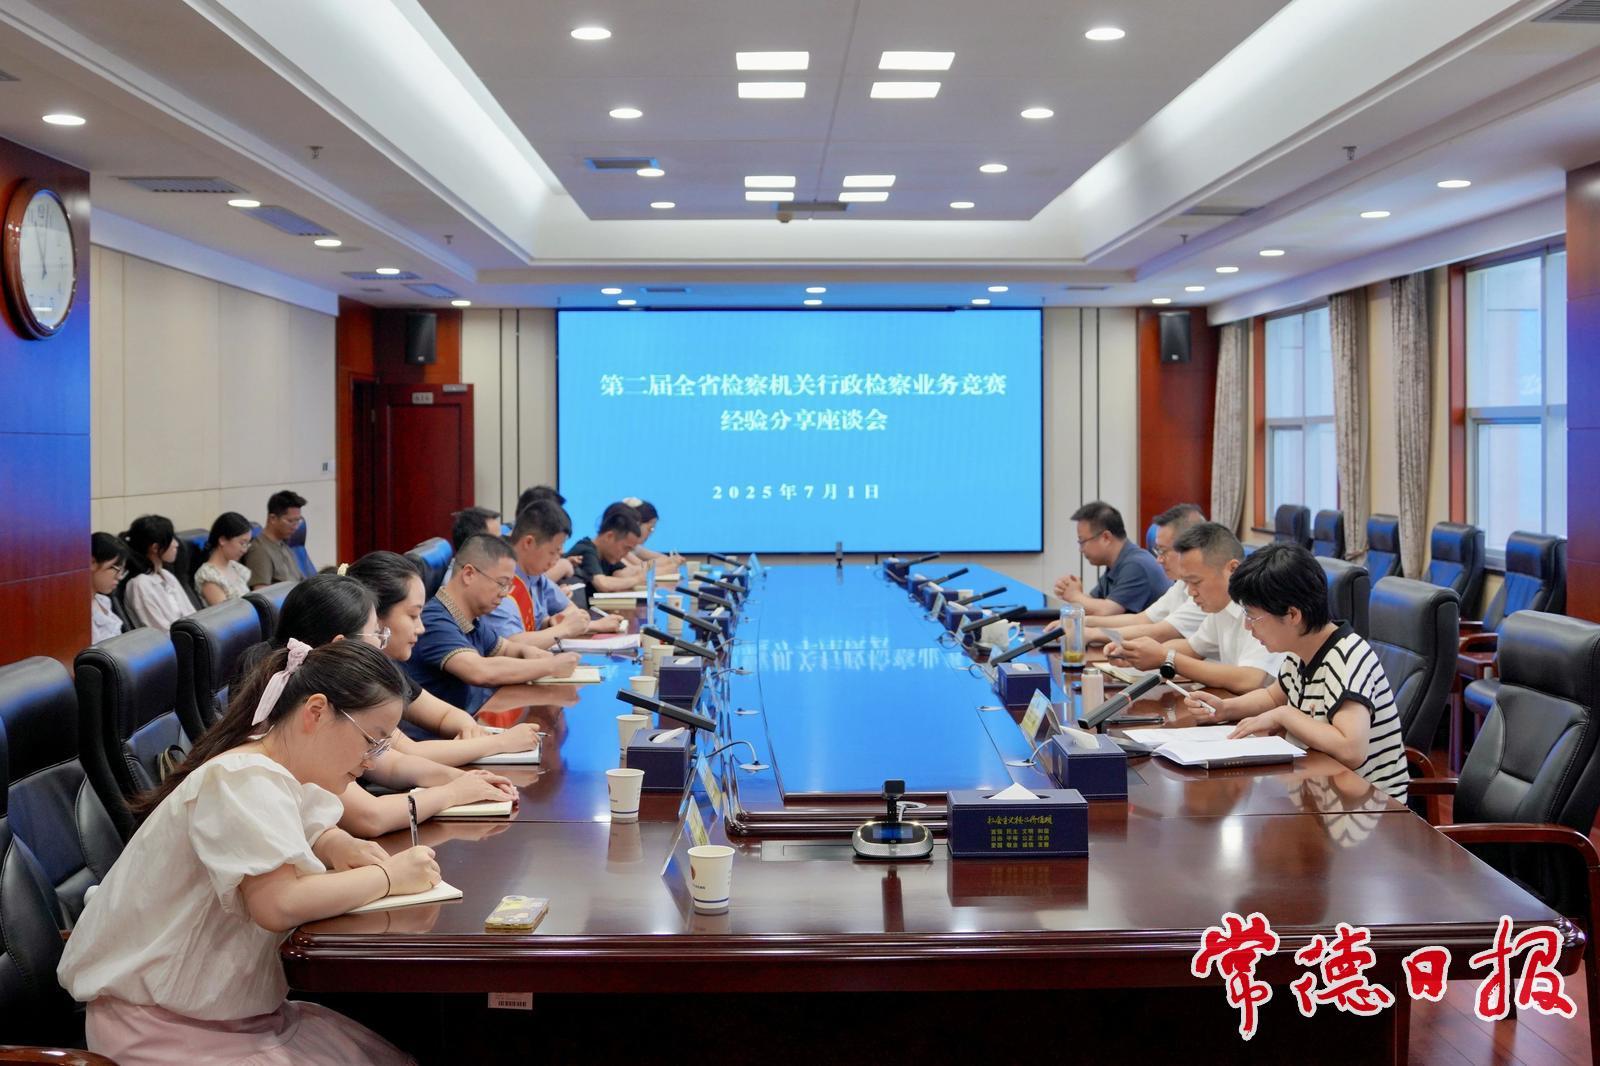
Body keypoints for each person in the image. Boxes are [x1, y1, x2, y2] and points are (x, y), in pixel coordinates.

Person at [57, 639, 423, 1064]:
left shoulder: (279, 766)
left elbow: (310, 825)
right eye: (372, 740)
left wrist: (337, 843)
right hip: (162, 1028)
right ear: (316, 711)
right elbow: (277, 904)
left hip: (231, 1015)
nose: (372, 761)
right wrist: (388, 878)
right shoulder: (241, 778)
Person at [241, 573, 516, 837]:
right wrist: (453, 792)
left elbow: (396, 764)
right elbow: (369, 817)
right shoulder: (303, 714)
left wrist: (464, 780)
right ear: (342, 646)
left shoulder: (343, 698)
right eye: (376, 633)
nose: (382, 644)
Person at [1185, 543, 1408, 801]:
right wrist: (1225, 709)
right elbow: (1273, 696)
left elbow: (1351, 749)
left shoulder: (1347, 657)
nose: (1247, 626)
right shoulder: (1300, 651)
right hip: (1320, 792)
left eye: (1253, 617)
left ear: (1292, 614)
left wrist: (1285, 715)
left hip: (1369, 808)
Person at [345, 550, 545, 764]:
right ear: (375, 617)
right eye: (413, 615)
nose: (421, 628)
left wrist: (467, 728)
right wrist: (500, 743)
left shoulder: (386, 667)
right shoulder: (353, 677)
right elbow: (407, 755)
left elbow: (444, 715)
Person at [405, 534, 579, 711]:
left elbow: (505, 648)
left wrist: (527, 651)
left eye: (509, 586)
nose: (505, 593)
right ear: (469, 574)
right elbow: (480, 671)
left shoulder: (470, 619)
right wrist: (550, 666)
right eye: (501, 583)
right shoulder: (434, 621)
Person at [1107, 522, 1283, 695]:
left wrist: (1165, 657)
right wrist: (1137, 652)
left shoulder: (1262, 604)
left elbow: (1250, 679)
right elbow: (1193, 648)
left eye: (1196, 582)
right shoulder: (1221, 607)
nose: (1190, 592)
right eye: (1187, 583)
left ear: (1232, 569)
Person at [483, 499, 623, 643]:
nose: (557, 559)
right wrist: (563, 629)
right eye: (553, 552)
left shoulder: (536, 575)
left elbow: (573, 613)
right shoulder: (499, 579)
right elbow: (511, 644)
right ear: (529, 543)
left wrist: (552, 623)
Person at [1084, 503, 1207, 646]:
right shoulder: (1181, 584)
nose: (1159, 560)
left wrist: (1092, 634)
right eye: (1157, 551)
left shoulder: (1207, 591)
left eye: (1163, 551)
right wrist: (1084, 621)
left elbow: (1159, 632)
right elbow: (1142, 619)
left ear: (1190, 549)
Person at [1054, 501, 1170, 616]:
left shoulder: (1136, 565)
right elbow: (1094, 603)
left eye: (1082, 541)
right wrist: (1070, 591)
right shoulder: (1117, 564)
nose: (1081, 549)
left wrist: (1075, 596)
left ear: (1106, 537)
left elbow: (1107, 611)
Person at [121, 515, 195, 632]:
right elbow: (160, 632)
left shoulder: (167, 575)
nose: (176, 544)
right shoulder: (139, 585)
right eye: (171, 539)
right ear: (155, 548)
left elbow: (192, 615)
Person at [568, 502, 647, 594]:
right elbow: (603, 584)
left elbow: (624, 574)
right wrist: (637, 579)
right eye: (626, 548)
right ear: (609, 536)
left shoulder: (607, 555)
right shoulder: (586, 550)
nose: (626, 554)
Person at [244, 490, 307, 589]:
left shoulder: (285, 547)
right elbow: (261, 593)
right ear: (273, 518)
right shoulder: (259, 550)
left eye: (297, 521)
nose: (295, 527)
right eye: (290, 521)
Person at [195, 511, 254, 605]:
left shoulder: (235, 567)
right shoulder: (209, 575)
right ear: (222, 540)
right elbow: (226, 612)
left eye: (247, 544)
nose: (245, 550)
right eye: (242, 543)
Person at [621, 498, 682, 569]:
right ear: (636, 524)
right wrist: (670, 562)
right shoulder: (620, 546)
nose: (651, 533)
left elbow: (662, 558)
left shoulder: (636, 547)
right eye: (650, 528)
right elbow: (641, 567)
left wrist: (670, 560)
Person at [91, 531, 129, 644]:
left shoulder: (103, 601)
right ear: (92, 562)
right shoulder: (77, 611)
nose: (119, 577)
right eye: (116, 569)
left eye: (122, 570)